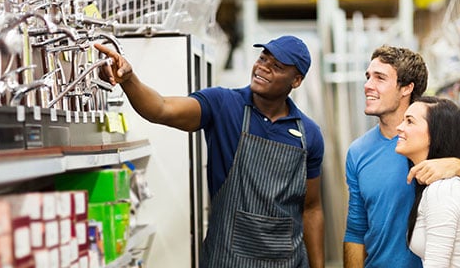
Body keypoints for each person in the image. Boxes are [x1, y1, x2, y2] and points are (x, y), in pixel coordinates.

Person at [94, 35, 325, 268]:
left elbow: (311, 208)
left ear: (295, 80)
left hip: (287, 263)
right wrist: (129, 79)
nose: (263, 68)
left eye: (276, 66)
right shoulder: (224, 104)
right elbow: (162, 109)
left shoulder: (308, 134)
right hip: (226, 260)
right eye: (263, 59)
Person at [343, 45, 460, 268]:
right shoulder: (358, 152)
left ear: (406, 88)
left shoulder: (440, 143)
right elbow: (356, 230)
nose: (367, 86)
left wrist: (459, 167)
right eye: (368, 77)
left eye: (379, 78)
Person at [396, 96, 460, 267]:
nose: (399, 128)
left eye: (409, 122)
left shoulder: (443, 190)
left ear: (435, 134)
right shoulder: (439, 186)